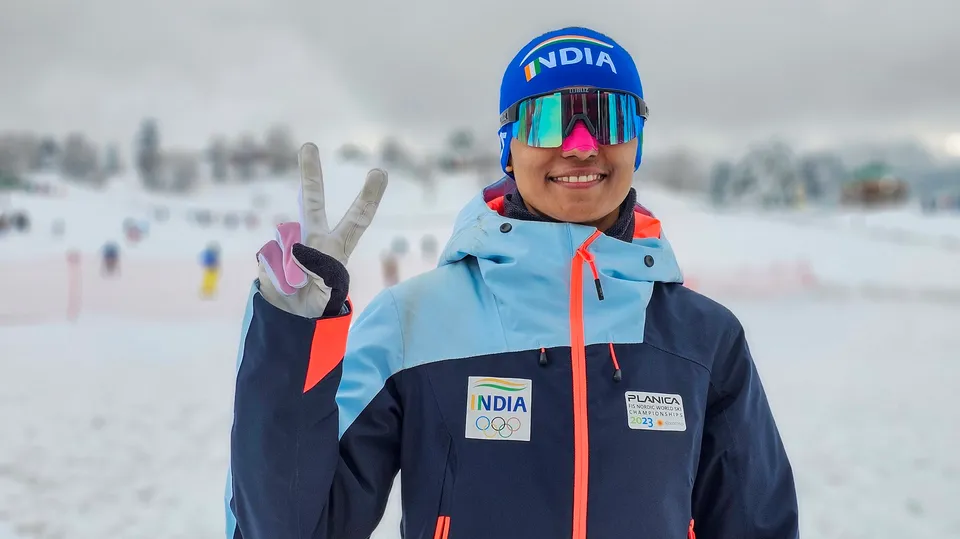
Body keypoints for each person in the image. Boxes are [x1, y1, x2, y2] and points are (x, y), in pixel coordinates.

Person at [225, 26, 799, 539]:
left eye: (611, 117)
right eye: (548, 119)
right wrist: (292, 337)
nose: (580, 144)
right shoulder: (414, 324)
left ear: (636, 142)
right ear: (510, 146)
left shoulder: (705, 341)